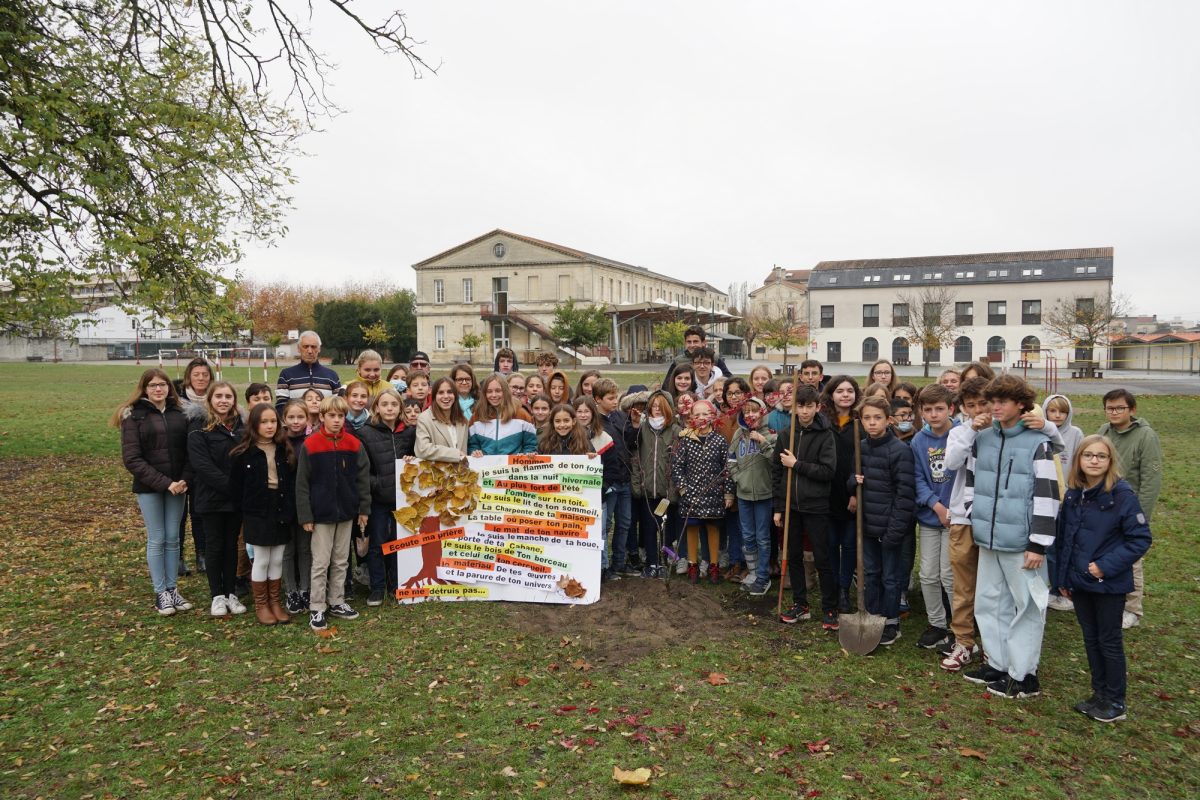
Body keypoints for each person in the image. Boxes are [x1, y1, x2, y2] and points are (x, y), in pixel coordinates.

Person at [960, 375, 1061, 699]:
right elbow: (972, 482)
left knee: (1027, 608)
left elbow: (1048, 495)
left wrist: (1038, 543)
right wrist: (975, 515)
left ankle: (1024, 674)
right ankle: (998, 664)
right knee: (989, 604)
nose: (996, 406)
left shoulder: (1037, 442)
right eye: (993, 401)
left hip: (1022, 544)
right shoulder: (983, 438)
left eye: (1004, 400)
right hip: (988, 538)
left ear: (1021, 404)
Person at [1054, 435, 1153, 724]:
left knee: (1109, 640)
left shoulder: (1121, 495)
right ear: (1079, 460)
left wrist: (1104, 567)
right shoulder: (1074, 494)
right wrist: (1063, 578)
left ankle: (1115, 700)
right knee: (1090, 637)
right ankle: (1099, 693)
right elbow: (1065, 540)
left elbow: (1140, 539)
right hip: (1079, 581)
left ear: (1110, 461)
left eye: (1101, 456)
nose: (1094, 461)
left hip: (1107, 583)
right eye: (1088, 455)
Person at [114, 369, 192, 616]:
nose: (158, 389)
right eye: (153, 385)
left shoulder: (181, 414)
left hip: (178, 487)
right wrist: (164, 483)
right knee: (157, 538)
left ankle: (172, 589)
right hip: (150, 488)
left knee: (173, 538)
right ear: (144, 388)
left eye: (163, 385)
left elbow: (191, 451)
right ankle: (160, 592)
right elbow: (132, 459)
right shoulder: (134, 417)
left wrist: (183, 480)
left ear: (169, 387)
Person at [295, 395, 369, 631]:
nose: (336, 420)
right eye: (332, 416)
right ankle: (317, 607)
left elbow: (362, 480)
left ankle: (336, 600)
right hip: (321, 514)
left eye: (340, 416)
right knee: (320, 561)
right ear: (322, 417)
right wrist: (306, 515)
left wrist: (363, 509)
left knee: (341, 560)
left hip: (346, 512)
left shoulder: (354, 444)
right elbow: (302, 484)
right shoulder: (311, 445)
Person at [850, 396, 916, 646]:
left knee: (891, 577)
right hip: (866, 526)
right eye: (867, 418)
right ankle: (872, 615)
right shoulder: (861, 448)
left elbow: (905, 495)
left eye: (877, 418)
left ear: (888, 420)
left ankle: (891, 622)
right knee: (871, 574)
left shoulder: (900, 451)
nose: (872, 423)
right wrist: (852, 482)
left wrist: (895, 531)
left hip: (889, 527)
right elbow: (851, 480)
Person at [772, 384, 838, 627]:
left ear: (817, 407)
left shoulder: (825, 435)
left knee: (822, 557)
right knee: (793, 556)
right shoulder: (786, 435)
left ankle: (831, 608)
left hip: (816, 506)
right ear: (794, 408)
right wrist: (779, 507)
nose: (805, 411)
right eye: (800, 406)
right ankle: (801, 604)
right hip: (792, 506)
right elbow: (778, 473)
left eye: (809, 406)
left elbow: (828, 471)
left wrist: (797, 464)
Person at [1098, 389, 1162, 629]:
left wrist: (1141, 516)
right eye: (1109, 408)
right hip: (1104, 506)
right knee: (1105, 553)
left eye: (1119, 408)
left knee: (1130, 559)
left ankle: (1132, 608)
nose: (1114, 412)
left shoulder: (1146, 436)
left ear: (1132, 410)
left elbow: (1151, 480)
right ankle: (1107, 598)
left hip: (1130, 509)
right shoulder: (1104, 431)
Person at [228, 403, 295, 625]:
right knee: (262, 558)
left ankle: (275, 602)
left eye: (273, 421)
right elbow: (236, 488)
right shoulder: (243, 453)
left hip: (281, 507)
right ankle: (261, 604)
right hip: (257, 511)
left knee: (277, 558)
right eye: (264, 422)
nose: (269, 426)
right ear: (254, 425)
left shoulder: (284, 449)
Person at [939, 376, 988, 672]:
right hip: (963, 516)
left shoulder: (1005, 430)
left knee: (993, 585)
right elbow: (952, 462)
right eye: (972, 405)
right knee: (963, 584)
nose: (979, 409)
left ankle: (993, 643)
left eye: (984, 403)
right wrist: (971, 428)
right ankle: (964, 642)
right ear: (963, 408)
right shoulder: (959, 432)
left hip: (995, 517)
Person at [187, 381, 246, 617]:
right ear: (210, 399)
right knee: (214, 545)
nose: (224, 401)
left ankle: (231, 591)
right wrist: (230, 486)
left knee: (231, 545)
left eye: (228, 396)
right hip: (210, 497)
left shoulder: (240, 425)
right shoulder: (199, 426)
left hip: (235, 499)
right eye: (219, 396)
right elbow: (202, 465)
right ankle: (217, 595)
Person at [910, 383, 958, 652]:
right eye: (928, 410)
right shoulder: (919, 441)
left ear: (950, 408)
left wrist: (952, 510)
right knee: (928, 575)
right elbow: (917, 478)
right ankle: (937, 623)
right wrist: (936, 507)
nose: (934, 414)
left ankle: (958, 626)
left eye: (939, 409)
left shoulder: (961, 436)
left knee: (949, 576)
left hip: (956, 519)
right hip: (930, 518)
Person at [358, 388, 416, 607]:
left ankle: (397, 585)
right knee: (378, 543)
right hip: (379, 499)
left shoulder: (409, 432)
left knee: (399, 543)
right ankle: (377, 587)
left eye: (394, 404)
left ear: (400, 407)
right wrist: (378, 484)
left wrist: (412, 459)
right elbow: (363, 470)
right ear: (376, 408)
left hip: (402, 500)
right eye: (385, 404)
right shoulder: (366, 432)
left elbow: (417, 459)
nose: (389, 408)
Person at [671, 398, 729, 584]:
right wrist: (682, 488)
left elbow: (727, 468)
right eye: (697, 415)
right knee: (692, 526)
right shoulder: (686, 440)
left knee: (712, 527)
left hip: (713, 494)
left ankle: (713, 564)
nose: (702, 418)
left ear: (712, 416)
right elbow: (677, 466)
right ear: (691, 419)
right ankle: (692, 563)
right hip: (691, 494)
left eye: (705, 414)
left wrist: (728, 492)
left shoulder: (719, 440)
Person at [726, 397, 776, 597]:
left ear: (762, 413)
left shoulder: (771, 435)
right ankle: (754, 573)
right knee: (748, 536)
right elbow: (731, 460)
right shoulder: (739, 435)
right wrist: (739, 478)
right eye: (746, 412)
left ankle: (763, 576)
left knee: (763, 537)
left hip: (764, 494)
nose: (750, 415)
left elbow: (776, 462)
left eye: (754, 411)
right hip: (744, 494)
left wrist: (763, 443)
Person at [820, 375, 862, 613]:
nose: (845, 395)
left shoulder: (860, 423)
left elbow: (861, 462)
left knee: (848, 544)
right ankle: (834, 588)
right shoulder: (823, 422)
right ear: (831, 394)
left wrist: (855, 493)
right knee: (831, 543)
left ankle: (845, 589)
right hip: (827, 493)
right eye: (840, 391)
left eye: (850, 390)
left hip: (850, 495)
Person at [631, 391, 680, 579]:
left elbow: (678, 461)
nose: (657, 410)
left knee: (665, 527)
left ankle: (664, 560)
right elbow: (635, 458)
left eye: (661, 406)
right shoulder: (643, 429)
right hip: (647, 490)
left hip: (666, 491)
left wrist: (673, 489)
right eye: (653, 406)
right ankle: (651, 562)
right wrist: (638, 484)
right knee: (649, 527)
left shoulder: (675, 431)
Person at [594, 378, 639, 578]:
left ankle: (619, 562)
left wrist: (635, 425)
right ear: (597, 399)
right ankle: (603, 566)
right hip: (609, 481)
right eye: (610, 398)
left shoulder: (620, 416)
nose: (615, 401)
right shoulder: (595, 423)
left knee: (625, 522)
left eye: (616, 397)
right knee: (606, 525)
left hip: (625, 478)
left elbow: (629, 442)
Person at [1044, 393, 1085, 613]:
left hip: (1069, 499)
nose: (1057, 415)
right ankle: (1052, 588)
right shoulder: (1039, 432)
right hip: (1046, 498)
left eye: (1062, 412)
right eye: (1053, 411)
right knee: (1049, 547)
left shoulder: (1076, 434)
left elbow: (1080, 464)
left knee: (1067, 545)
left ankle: (1067, 588)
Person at [174, 357, 213, 575]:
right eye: (196, 374)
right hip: (179, 462)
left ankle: (202, 554)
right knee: (179, 513)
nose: (200, 378)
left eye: (205, 375)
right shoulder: (176, 400)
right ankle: (178, 557)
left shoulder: (215, 399)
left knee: (199, 512)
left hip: (203, 463)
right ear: (189, 376)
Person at [280, 400, 313, 614]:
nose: (295, 421)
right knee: (288, 549)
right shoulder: (278, 442)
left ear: (308, 419)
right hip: (284, 502)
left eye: (300, 417)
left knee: (305, 548)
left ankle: (306, 589)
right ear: (284, 419)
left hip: (306, 503)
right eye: (291, 417)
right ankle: (290, 590)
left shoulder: (311, 442)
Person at [468, 374, 538, 456]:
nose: (494, 395)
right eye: (489, 391)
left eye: (498, 391)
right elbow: (472, 445)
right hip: (486, 467)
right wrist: (475, 452)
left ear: (505, 391)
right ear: (484, 394)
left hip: (514, 467)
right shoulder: (476, 417)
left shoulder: (522, 415)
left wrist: (527, 454)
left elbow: (530, 445)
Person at [275, 330, 341, 411]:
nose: (310, 351)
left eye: (313, 347)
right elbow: (281, 406)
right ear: (299, 349)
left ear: (319, 349)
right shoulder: (286, 375)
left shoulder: (332, 376)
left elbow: (338, 406)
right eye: (305, 346)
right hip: (296, 423)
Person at [415, 377, 469, 464]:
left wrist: (476, 453)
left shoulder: (462, 420)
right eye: (441, 392)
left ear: (455, 395)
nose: (446, 396)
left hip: (461, 474)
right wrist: (455, 454)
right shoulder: (424, 419)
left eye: (450, 392)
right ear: (434, 396)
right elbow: (422, 449)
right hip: (437, 475)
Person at [663, 326, 731, 387]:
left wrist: (713, 387)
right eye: (689, 342)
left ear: (704, 342)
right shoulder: (678, 361)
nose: (692, 345)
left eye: (695, 341)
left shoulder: (714, 358)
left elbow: (729, 378)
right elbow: (667, 384)